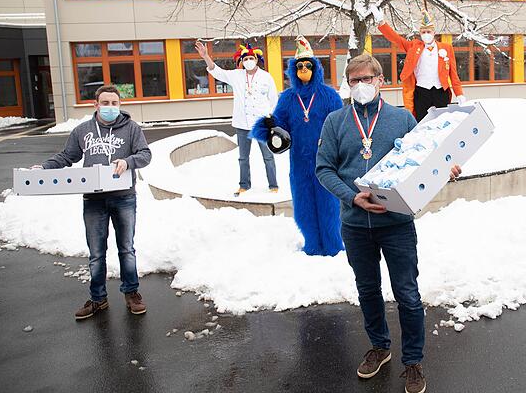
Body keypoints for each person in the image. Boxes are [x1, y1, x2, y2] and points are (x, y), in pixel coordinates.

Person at [316, 53, 461, 393]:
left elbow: (427, 157)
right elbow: (324, 169)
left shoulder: (402, 119)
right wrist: (352, 196)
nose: (361, 86)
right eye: (355, 81)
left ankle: (413, 362)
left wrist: (446, 167)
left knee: (408, 295)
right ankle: (380, 347)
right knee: (367, 291)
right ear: (347, 84)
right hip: (354, 224)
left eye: (368, 79)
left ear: (380, 80)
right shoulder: (335, 122)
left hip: (396, 224)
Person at [37, 85, 152, 320]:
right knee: (96, 252)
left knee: (126, 249)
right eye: (106, 103)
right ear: (96, 105)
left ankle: (131, 293)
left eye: (114, 103)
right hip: (93, 200)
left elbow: (145, 154)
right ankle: (98, 299)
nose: (110, 107)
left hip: (124, 198)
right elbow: (67, 156)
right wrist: (44, 168)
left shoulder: (131, 128)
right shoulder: (83, 131)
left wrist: (128, 161)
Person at [251, 36, 345, 256]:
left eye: (308, 65)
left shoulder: (329, 95)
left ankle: (333, 246)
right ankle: (312, 244)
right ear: (294, 69)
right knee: (304, 207)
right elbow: (279, 128)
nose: (304, 69)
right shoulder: (288, 98)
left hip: (327, 161)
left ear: (315, 68)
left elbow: (341, 125)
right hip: (300, 163)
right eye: (300, 66)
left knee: (329, 205)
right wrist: (268, 126)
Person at [195, 40, 279, 196]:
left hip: (262, 124)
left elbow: (274, 101)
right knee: (243, 158)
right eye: (245, 59)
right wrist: (206, 56)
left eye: (251, 58)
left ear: (257, 59)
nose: (248, 61)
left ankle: (273, 185)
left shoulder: (266, 77)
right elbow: (216, 71)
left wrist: (272, 120)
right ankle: (244, 185)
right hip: (242, 123)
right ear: (241, 61)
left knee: (268, 156)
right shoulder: (236, 76)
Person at [370, 5, 465, 121]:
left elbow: (453, 74)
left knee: (441, 122)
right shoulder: (413, 46)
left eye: (428, 31)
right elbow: (396, 39)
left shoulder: (446, 48)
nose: (426, 34)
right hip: (421, 92)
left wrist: (459, 93)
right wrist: (382, 23)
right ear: (420, 33)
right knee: (421, 121)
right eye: (423, 32)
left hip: (441, 92)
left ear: (434, 32)